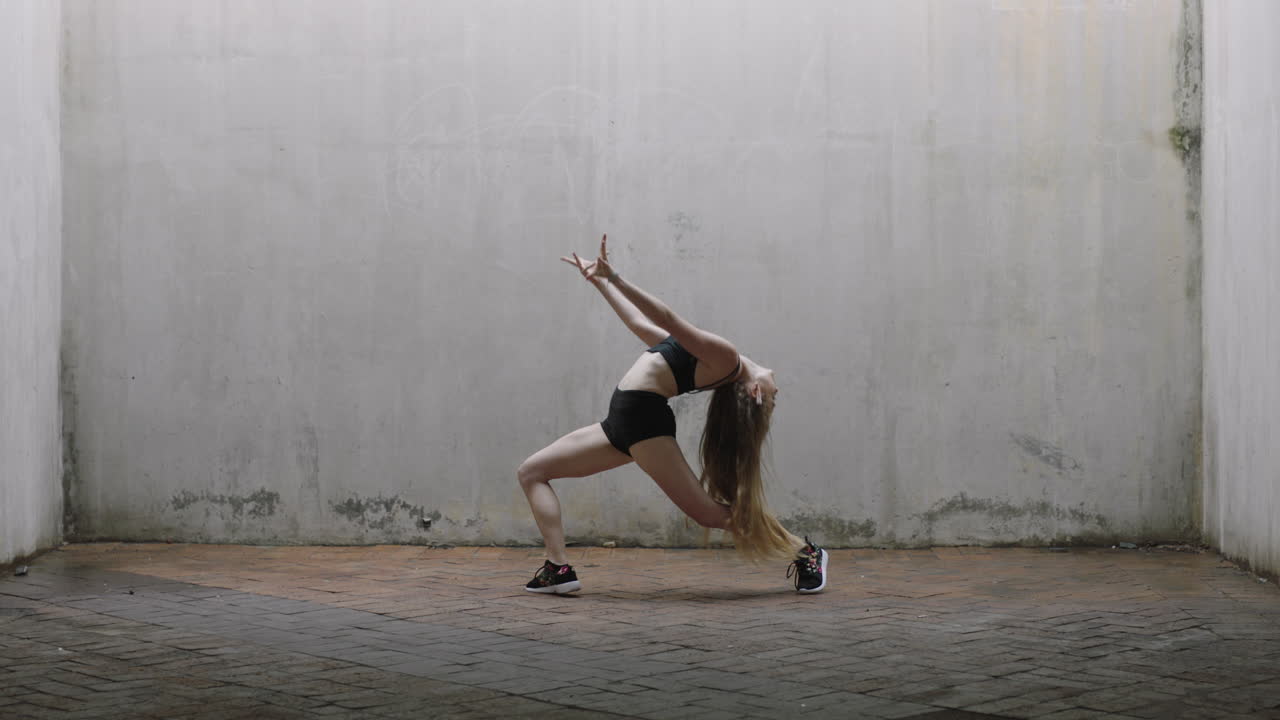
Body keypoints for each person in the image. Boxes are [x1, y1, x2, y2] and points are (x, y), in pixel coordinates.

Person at [517, 235, 828, 595]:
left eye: (774, 394)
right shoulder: (713, 358)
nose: (776, 385)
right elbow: (639, 323)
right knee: (532, 472)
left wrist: (616, 277)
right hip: (620, 423)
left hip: (644, 423)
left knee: (709, 515)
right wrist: (600, 283)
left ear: (754, 392)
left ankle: (806, 552)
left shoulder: (724, 357)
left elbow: (665, 316)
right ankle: (557, 568)